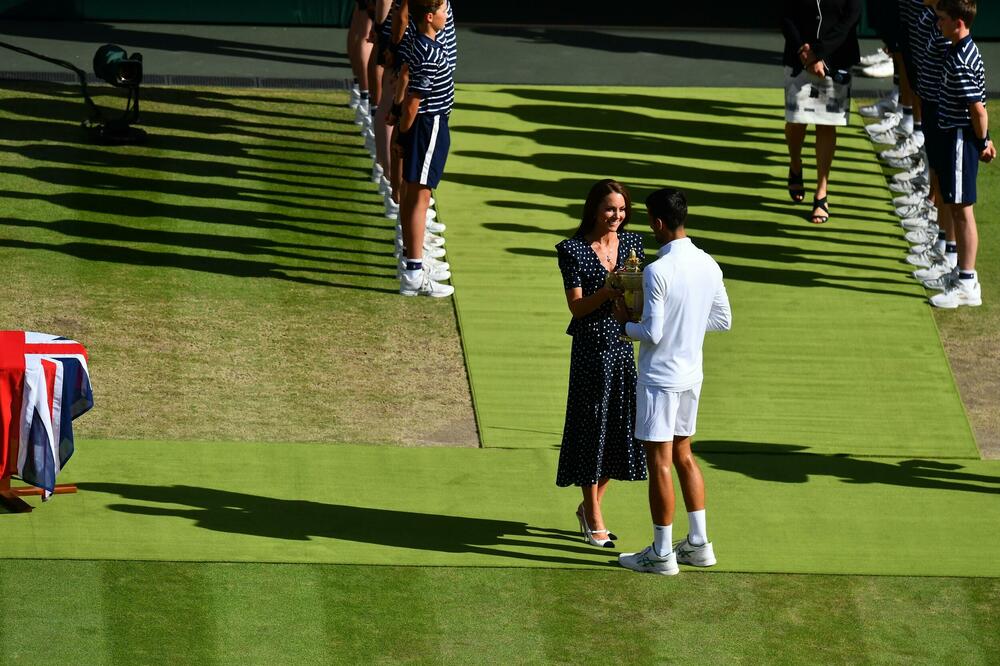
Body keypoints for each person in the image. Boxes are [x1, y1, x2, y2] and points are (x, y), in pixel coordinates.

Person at [615, 188, 732, 575]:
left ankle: (662, 553)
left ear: (658, 223)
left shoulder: (657, 271)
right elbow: (722, 320)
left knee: (660, 462)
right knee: (684, 454)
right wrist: (690, 325)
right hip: (690, 376)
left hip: (660, 380)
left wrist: (623, 323)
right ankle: (698, 544)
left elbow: (652, 332)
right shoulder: (709, 264)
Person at [555, 179, 647, 549]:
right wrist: (607, 292)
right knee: (591, 429)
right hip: (591, 351)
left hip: (623, 347)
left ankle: (589, 505)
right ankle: (594, 516)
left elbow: (640, 293)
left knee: (620, 428)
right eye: (611, 208)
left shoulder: (633, 245)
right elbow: (576, 307)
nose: (617, 216)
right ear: (595, 208)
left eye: (622, 209)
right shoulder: (572, 250)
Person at [928, 0, 995, 307]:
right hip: (955, 136)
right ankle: (961, 273)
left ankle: (968, 282)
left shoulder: (961, 59)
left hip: (960, 139)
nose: (937, 23)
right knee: (956, 206)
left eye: (941, 19)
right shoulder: (956, 49)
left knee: (962, 210)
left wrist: (983, 142)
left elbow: (978, 110)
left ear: (957, 23)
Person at [781, 0, 861, 224]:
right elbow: (785, 15)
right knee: (796, 121)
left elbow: (851, 16)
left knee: (827, 124)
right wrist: (804, 53)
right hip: (799, 58)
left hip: (837, 57)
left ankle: (821, 192)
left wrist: (819, 52)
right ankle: (795, 164)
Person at [396, 0, 455, 297]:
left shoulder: (424, 45)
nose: (448, 16)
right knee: (420, 197)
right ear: (430, 17)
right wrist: (403, 137)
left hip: (426, 127)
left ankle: (412, 262)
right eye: (444, 11)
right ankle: (415, 271)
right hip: (428, 126)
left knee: (415, 195)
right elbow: (412, 103)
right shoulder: (429, 53)